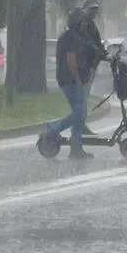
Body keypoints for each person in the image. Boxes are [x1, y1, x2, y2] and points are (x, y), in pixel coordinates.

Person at [43, 10, 92, 159]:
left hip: (65, 79)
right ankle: (53, 129)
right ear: (77, 22)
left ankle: (76, 148)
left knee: (79, 114)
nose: (84, 25)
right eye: (82, 22)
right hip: (70, 80)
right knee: (80, 112)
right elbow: (71, 60)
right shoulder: (73, 38)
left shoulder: (66, 35)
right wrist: (78, 78)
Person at [77, 0, 107, 134]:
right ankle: (79, 125)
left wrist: (104, 53)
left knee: (84, 96)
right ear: (85, 9)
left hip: (91, 65)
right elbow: (87, 42)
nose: (94, 12)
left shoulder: (91, 24)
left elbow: (96, 42)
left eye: (95, 10)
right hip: (84, 66)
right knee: (82, 97)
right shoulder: (83, 24)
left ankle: (81, 124)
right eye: (91, 9)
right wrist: (98, 51)